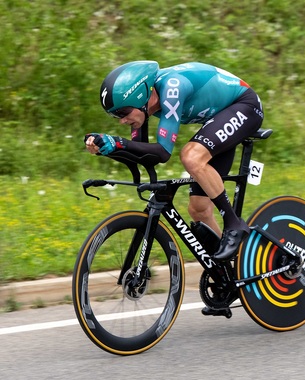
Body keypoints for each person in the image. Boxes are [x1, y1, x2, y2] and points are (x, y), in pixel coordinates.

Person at [85, 61, 264, 260]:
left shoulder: (171, 88)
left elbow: (162, 152)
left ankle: (234, 224)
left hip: (244, 105)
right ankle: (235, 270)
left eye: (122, 113)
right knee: (199, 209)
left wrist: (119, 143)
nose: (121, 120)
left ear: (141, 98)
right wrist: (107, 148)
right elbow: (144, 155)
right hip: (220, 116)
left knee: (191, 156)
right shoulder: (144, 107)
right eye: (115, 116)